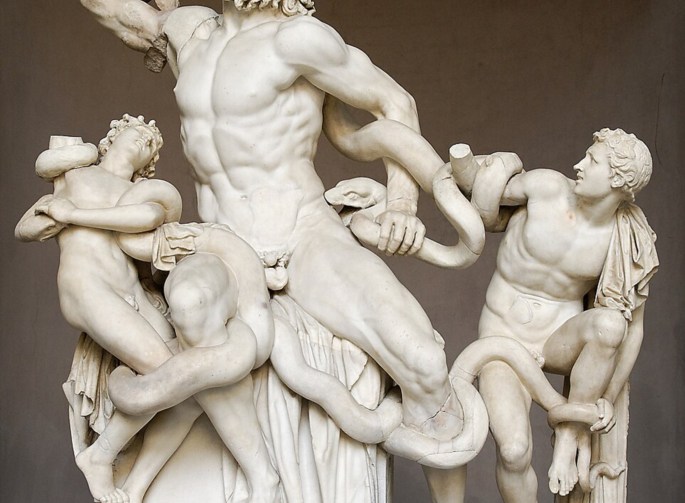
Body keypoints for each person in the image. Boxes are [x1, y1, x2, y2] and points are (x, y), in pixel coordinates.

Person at [79, 0, 486, 477]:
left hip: (305, 235)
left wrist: (400, 202)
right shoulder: (188, 32)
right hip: (223, 243)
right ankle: (254, 477)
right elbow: (114, 11)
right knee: (190, 305)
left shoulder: (298, 38)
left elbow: (394, 102)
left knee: (424, 362)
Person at [16, 115, 280, 503]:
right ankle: (101, 456)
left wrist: (73, 215)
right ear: (111, 139)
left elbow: (149, 223)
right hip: (87, 287)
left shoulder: (143, 193)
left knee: (189, 385)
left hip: (133, 294)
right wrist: (50, 218)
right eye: (137, 133)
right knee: (177, 374)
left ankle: (133, 482)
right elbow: (25, 228)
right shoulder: (76, 176)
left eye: (152, 143)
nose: (145, 141)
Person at [466, 128, 658, 501]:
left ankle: (568, 437)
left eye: (592, 161)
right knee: (514, 451)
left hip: (556, 342)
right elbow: (477, 191)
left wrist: (608, 396)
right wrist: (492, 166)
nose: (579, 165)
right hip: (502, 336)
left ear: (617, 180)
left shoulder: (626, 236)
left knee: (611, 324)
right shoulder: (546, 188)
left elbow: (633, 328)